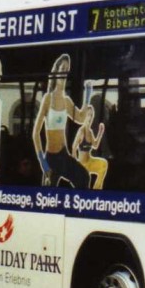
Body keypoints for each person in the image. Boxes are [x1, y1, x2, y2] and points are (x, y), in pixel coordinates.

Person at [32, 54, 89, 188]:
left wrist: (88, 94)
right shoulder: (48, 98)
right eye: (62, 69)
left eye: (67, 70)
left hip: (63, 155)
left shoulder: (66, 100)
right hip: (51, 159)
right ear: (56, 72)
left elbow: (81, 118)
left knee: (84, 177)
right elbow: (35, 133)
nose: (64, 73)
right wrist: (43, 163)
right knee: (47, 196)